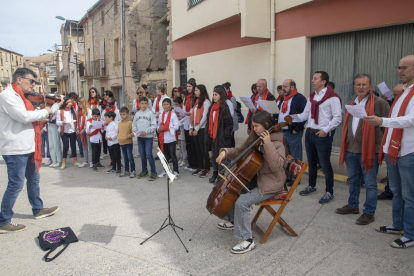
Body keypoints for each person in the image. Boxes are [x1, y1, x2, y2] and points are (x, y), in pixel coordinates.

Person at [0, 68, 61, 233]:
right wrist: (48, 109)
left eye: (34, 81)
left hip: (28, 146)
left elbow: (30, 115)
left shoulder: (22, 97)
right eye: (31, 81)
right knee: (16, 184)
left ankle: (38, 209)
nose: (33, 85)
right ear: (19, 80)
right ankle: (3, 220)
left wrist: (48, 109)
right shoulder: (7, 96)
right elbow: (25, 117)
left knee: (34, 179)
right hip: (15, 148)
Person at [216, 111, 286, 253]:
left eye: (256, 126)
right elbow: (240, 151)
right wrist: (225, 152)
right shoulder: (256, 138)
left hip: (271, 184)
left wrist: (268, 144)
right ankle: (234, 221)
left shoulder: (278, 144)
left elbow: (276, 166)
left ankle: (247, 240)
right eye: (253, 126)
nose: (253, 129)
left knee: (242, 202)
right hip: (257, 179)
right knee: (231, 188)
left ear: (266, 125)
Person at [364, 55, 414, 249]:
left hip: (409, 151)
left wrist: (382, 121)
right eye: (399, 67)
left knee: (409, 196)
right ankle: (398, 225)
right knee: (396, 191)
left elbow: (410, 119)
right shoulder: (404, 91)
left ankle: (410, 234)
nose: (400, 71)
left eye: (404, 67)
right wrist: (385, 148)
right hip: (395, 150)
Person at [337, 73, 390, 225]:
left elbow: (388, 125)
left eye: (364, 84)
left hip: (369, 151)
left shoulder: (380, 103)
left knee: (370, 183)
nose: (361, 87)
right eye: (358, 84)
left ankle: (369, 212)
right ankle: (353, 205)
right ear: (354, 87)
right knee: (353, 181)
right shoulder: (351, 103)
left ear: (370, 87)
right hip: (351, 150)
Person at [296, 71, 342, 204]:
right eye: (312, 78)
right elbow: (305, 115)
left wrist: (326, 130)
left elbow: (338, 118)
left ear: (323, 82)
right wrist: (291, 118)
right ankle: (312, 185)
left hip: (322, 134)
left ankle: (329, 192)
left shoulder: (333, 98)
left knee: (325, 164)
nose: (312, 81)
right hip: (310, 133)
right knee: (311, 162)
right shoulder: (311, 97)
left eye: (315, 79)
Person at [277, 79, 307, 186]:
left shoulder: (299, 98)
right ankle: (287, 176)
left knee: (295, 156)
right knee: (286, 156)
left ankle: (296, 178)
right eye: (282, 86)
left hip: (292, 132)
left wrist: (296, 128)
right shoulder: (283, 99)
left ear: (292, 87)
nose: (283, 89)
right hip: (282, 131)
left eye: (285, 86)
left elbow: (304, 114)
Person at [378, 83, 404, 201]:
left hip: (404, 147)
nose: (395, 97)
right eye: (394, 95)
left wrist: (382, 120)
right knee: (392, 172)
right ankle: (389, 190)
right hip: (391, 146)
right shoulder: (393, 103)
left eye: (398, 95)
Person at [205, 85, 233, 183]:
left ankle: (221, 176)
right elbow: (208, 122)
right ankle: (215, 173)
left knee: (220, 157)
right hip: (213, 136)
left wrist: (225, 135)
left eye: (216, 95)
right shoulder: (211, 108)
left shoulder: (224, 108)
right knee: (214, 156)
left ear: (221, 95)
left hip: (221, 137)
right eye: (213, 95)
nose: (214, 97)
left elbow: (229, 123)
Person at [133, 96, 158, 181]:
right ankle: (144, 170)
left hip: (148, 137)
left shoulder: (150, 113)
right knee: (142, 154)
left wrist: (146, 132)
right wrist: (135, 131)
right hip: (140, 137)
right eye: (142, 103)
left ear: (148, 104)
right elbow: (134, 124)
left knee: (148, 154)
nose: (143, 105)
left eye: (145, 103)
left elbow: (153, 126)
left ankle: (153, 171)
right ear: (139, 104)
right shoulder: (137, 114)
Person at [190, 84, 211, 178]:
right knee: (197, 149)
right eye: (195, 90)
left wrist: (197, 128)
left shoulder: (206, 102)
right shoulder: (196, 102)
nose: (195, 92)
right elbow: (193, 116)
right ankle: (200, 167)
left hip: (202, 129)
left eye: (197, 90)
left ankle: (207, 168)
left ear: (202, 91)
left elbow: (204, 117)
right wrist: (191, 127)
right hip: (195, 129)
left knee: (204, 150)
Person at [157, 98, 180, 178]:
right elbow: (158, 126)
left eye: (167, 104)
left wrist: (167, 127)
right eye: (164, 104)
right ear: (162, 106)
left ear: (170, 106)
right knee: (164, 156)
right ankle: (165, 170)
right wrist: (159, 128)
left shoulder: (173, 115)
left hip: (171, 139)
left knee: (173, 156)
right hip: (163, 138)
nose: (165, 106)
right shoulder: (160, 115)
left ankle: (176, 171)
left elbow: (176, 126)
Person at [57, 97, 81, 169]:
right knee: (65, 146)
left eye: (71, 102)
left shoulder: (73, 110)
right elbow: (57, 122)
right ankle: (63, 162)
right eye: (68, 102)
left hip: (72, 130)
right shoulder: (60, 111)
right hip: (64, 130)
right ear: (65, 103)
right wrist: (62, 122)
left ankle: (75, 161)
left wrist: (77, 128)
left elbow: (76, 119)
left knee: (73, 145)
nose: (70, 103)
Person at [118, 107, 136, 178]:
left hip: (128, 142)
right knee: (125, 157)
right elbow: (118, 132)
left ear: (127, 114)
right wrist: (119, 137)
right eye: (121, 114)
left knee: (130, 157)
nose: (122, 116)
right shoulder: (119, 123)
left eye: (124, 114)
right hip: (121, 142)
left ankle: (133, 170)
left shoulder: (130, 123)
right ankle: (126, 170)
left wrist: (127, 136)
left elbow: (133, 133)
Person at [183, 79, 197, 172]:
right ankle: (190, 163)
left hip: (193, 122)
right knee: (187, 144)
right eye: (187, 86)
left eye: (190, 86)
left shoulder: (195, 97)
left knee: (193, 145)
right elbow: (184, 109)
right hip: (186, 122)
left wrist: (190, 113)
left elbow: (196, 109)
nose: (188, 88)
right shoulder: (186, 97)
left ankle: (195, 164)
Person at [76, 97, 92, 168]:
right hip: (81, 130)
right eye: (78, 103)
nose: (79, 105)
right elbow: (78, 121)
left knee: (90, 146)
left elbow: (90, 121)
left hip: (87, 130)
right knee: (84, 146)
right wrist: (77, 128)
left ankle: (92, 161)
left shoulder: (89, 111)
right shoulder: (79, 111)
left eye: (80, 103)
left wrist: (84, 129)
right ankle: (85, 161)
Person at [67, 92, 84, 159]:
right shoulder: (71, 105)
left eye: (72, 99)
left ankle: (81, 151)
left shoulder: (77, 105)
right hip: (73, 124)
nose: (71, 100)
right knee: (73, 140)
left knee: (79, 139)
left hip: (78, 123)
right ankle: (73, 152)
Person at [222, 82, 239, 148]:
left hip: (232, 120)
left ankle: (233, 151)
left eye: (224, 89)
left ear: (228, 89)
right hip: (227, 119)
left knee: (231, 137)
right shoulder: (223, 98)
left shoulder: (232, 98)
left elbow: (233, 108)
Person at [47, 100, 63, 168]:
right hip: (49, 126)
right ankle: (54, 160)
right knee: (51, 145)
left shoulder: (58, 110)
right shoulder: (49, 108)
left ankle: (59, 160)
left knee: (56, 144)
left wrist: (48, 120)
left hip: (54, 126)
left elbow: (56, 120)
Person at [174, 97, 187, 167]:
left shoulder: (183, 109)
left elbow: (186, 118)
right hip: (178, 130)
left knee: (183, 145)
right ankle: (181, 157)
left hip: (182, 128)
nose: (176, 106)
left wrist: (181, 118)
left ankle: (184, 158)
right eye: (175, 105)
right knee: (179, 144)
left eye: (177, 104)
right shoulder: (175, 111)